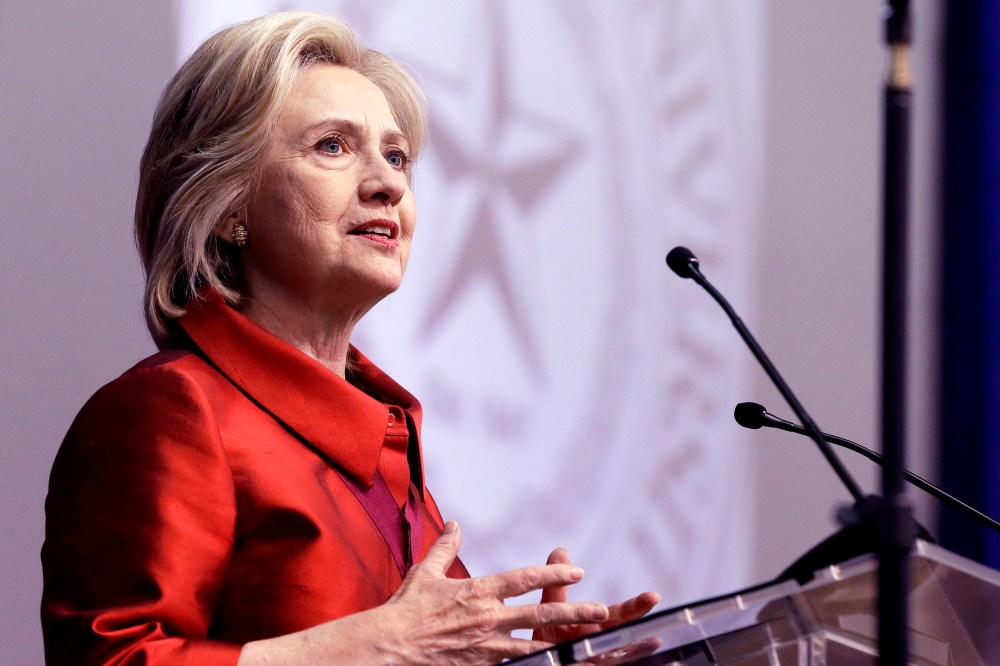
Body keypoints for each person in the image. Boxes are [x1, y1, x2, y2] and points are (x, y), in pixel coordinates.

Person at [40, 11, 658, 665]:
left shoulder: (386, 439)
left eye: (396, 156)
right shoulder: (171, 412)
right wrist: (366, 648)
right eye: (332, 146)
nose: (389, 183)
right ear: (229, 205)